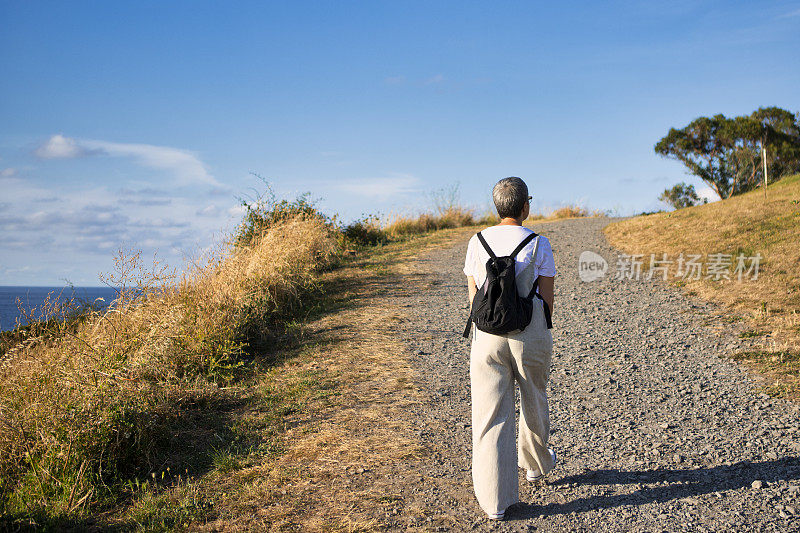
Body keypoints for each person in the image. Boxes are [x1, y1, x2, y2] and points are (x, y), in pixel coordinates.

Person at [463, 176, 557, 520]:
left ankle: (495, 503)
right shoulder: (538, 242)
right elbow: (546, 296)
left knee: (490, 414)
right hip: (528, 329)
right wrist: (539, 325)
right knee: (533, 395)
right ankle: (533, 466)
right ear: (525, 207)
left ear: (497, 206)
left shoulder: (477, 241)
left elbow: (473, 295)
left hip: (486, 333)